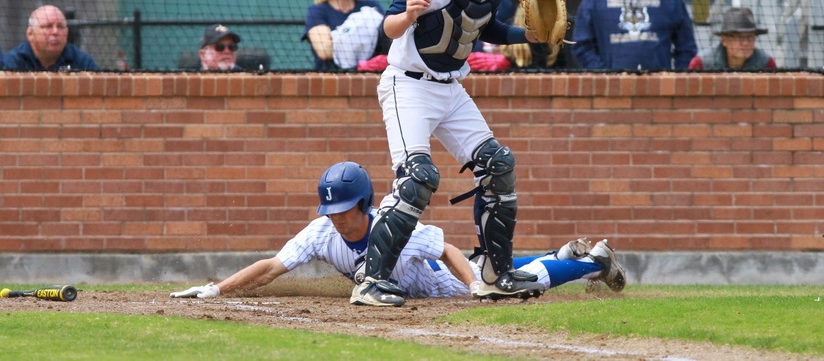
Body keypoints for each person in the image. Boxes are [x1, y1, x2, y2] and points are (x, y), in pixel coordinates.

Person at [352, 0, 546, 308]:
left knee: (499, 165)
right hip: (408, 85)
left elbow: (483, 26)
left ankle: (497, 274)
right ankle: (371, 279)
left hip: (451, 87)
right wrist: (410, 13)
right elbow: (388, 30)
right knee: (418, 179)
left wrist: (527, 34)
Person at [169, 162, 626, 303]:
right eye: (330, 208)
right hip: (446, 279)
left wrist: (471, 285)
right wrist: (215, 290)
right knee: (504, 270)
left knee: (522, 282)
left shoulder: (395, 226)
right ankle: (563, 251)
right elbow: (271, 268)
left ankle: (594, 261)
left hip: (443, 283)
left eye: (345, 208)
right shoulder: (320, 232)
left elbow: (445, 246)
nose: (336, 216)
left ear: (365, 204)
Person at [2, 5, 99, 71]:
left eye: (60, 27)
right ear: (30, 33)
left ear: (67, 32)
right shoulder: (13, 63)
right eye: (48, 26)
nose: (55, 32)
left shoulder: (82, 62)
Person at [688, 7, 777, 70]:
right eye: (739, 37)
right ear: (724, 40)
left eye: (750, 37)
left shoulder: (767, 64)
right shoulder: (701, 64)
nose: (746, 43)